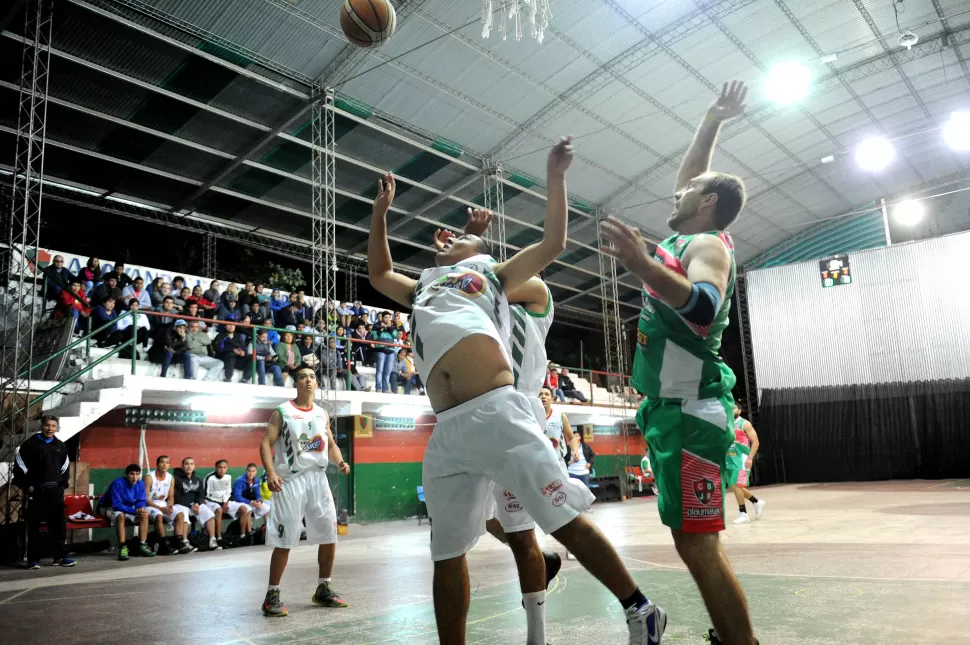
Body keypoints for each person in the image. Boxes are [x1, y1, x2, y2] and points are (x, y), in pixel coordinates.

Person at [368, 139, 666, 644]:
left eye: (460, 242)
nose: (446, 244)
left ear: (481, 253)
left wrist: (554, 177)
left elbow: (552, 243)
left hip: (499, 413)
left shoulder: (492, 275)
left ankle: (641, 608)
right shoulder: (422, 286)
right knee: (446, 552)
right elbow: (378, 273)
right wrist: (380, 214)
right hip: (448, 429)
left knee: (560, 519)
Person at [599, 80, 757, 645]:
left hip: (692, 411)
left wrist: (642, 265)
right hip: (674, 408)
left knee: (697, 543)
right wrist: (712, 119)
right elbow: (692, 177)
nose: (675, 195)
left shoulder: (708, 247)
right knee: (691, 541)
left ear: (707, 204)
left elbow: (702, 306)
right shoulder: (693, 232)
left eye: (687, 193)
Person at [259, 366, 352, 617]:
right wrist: (270, 473)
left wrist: (340, 461)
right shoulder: (283, 412)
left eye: (312, 377)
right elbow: (266, 443)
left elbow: (330, 444)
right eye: (303, 377)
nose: (308, 380)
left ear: (317, 383)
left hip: (318, 479)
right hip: (290, 481)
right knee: (285, 539)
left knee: (329, 534)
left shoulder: (322, 413)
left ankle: (323, 588)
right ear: (296, 383)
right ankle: (272, 595)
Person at [13, 415, 77, 569]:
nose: (50, 429)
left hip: (55, 493)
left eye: (53, 426)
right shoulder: (29, 445)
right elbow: (20, 467)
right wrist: (27, 486)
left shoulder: (61, 446)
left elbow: (65, 468)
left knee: (58, 527)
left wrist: (62, 486)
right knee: (33, 527)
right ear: (41, 427)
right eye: (48, 425)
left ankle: (60, 557)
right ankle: (32, 560)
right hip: (36, 493)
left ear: (56, 428)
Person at [99, 464, 156, 560]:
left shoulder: (141, 484)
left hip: (127, 507)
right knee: (121, 515)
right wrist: (134, 511)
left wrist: (140, 509)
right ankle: (123, 547)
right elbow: (116, 505)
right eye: (132, 474)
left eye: (137, 474)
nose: (135, 477)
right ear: (126, 474)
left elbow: (141, 501)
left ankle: (142, 545)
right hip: (107, 507)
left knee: (144, 514)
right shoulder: (117, 483)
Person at [144, 455, 192, 555]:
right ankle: (163, 544)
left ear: (169, 465)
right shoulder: (149, 477)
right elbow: (146, 499)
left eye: (167, 462)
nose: (165, 464)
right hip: (150, 506)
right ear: (157, 464)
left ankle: (178, 541)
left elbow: (170, 497)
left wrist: (169, 507)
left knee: (180, 514)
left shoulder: (170, 478)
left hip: (164, 505)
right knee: (159, 515)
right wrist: (160, 509)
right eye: (162, 462)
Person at [172, 457, 221, 551]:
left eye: (191, 464)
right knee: (184, 515)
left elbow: (200, 494)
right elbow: (177, 497)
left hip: (195, 505)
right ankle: (185, 542)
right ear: (182, 466)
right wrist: (190, 505)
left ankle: (212, 540)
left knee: (209, 513)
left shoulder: (197, 479)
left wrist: (197, 504)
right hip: (180, 505)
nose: (189, 466)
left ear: (194, 466)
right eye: (186, 464)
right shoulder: (176, 479)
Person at [728, 405, 764, 525]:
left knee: (736, 484)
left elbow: (755, 442)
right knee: (736, 487)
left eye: (734, 408)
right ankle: (756, 502)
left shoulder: (745, 424)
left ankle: (743, 513)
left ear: (739, 410)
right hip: (729, 460)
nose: (732, 410)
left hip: (742, 460)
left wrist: (750, 458)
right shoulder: (726, 424)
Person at [204, 460, 250, 545]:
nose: (222, 470)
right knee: (219, 510)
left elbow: (228, 492)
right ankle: (219, 537)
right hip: (211, 502)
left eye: (224, 468)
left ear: (227, 468)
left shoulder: (228, 477)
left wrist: (225, 503)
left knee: (244, 508)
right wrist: (222, 505)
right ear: (216, 468)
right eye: (220, 467)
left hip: (225, 501)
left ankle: (242, 536)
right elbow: (206, 495)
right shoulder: (209, 478)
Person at [233, 463, 271, 543]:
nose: (251, 473)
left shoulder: (256, 480)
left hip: (252, 502)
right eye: (249, 471)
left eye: (253, 471)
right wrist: (250, 502)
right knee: (248, 509)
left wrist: (259, 501)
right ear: (246, 471)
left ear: (256, 472)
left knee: (267, 508)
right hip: (240, 503)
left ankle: (268, 531)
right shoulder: (239, 481)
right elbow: (237, 497)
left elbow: (258, 494)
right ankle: (248, 534)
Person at [369, 311, 398, 393]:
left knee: (388, 371)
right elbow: (374, 337)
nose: (387, 319)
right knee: (379, 371)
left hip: (391, 351)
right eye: (386, 317)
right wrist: (380, 329)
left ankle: (385, 388)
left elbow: (396, 336)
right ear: (382, 318)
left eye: (389, 317)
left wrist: (389, 328)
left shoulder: (393, 326)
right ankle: (378, 388)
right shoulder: (376, 326)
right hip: (381, 350)